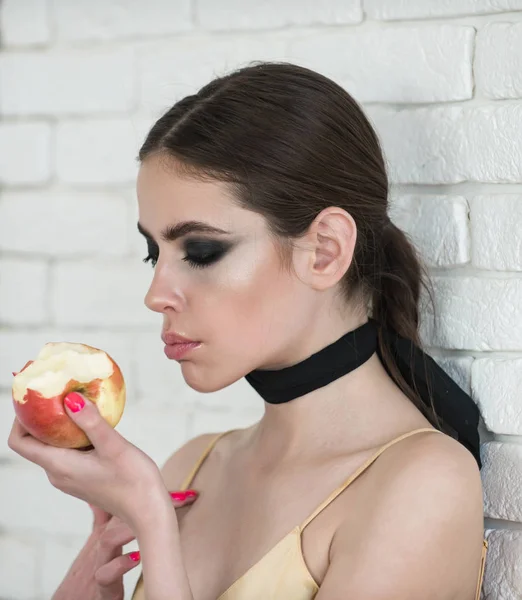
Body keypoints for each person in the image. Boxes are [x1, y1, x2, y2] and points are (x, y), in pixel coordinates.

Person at [12, 61, 487, 600]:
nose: (155, 295)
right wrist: (89, 583)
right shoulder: (192, 466)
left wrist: (155, 528)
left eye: (201, 250)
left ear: (325, 250)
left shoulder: (423, 485)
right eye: (154, 254)